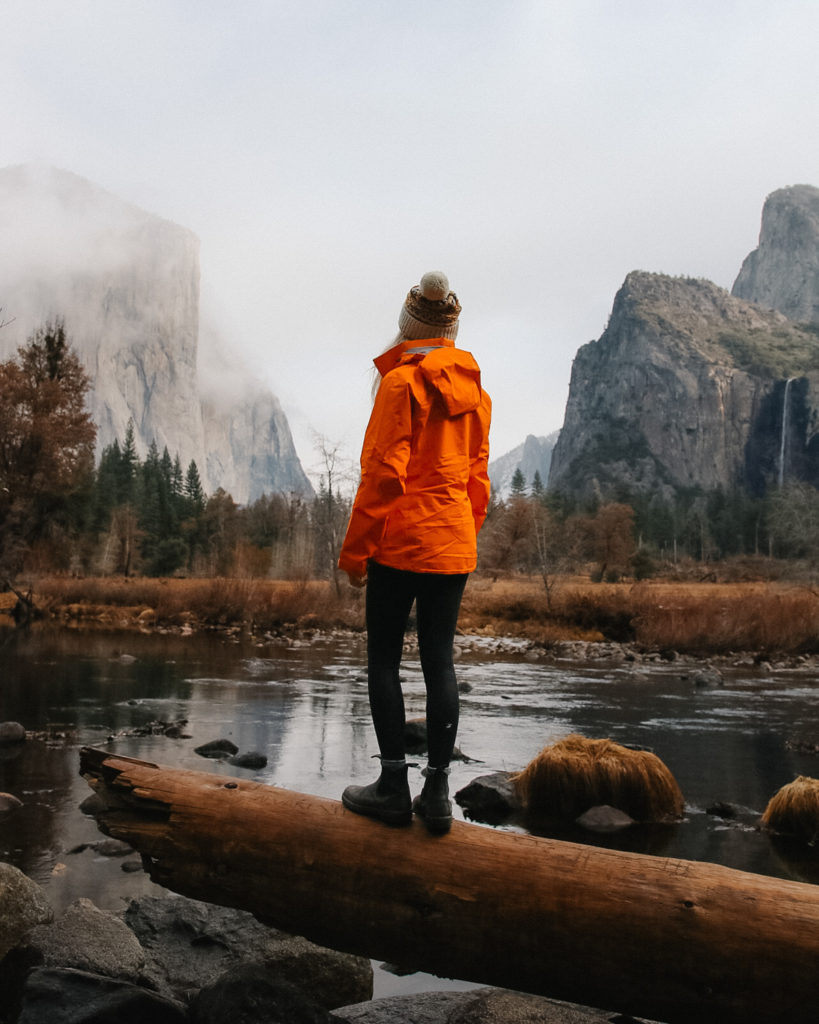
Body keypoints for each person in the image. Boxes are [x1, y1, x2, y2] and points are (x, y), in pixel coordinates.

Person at [338, 271, 491, 834]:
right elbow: (479, 480)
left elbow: (381, 476)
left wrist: (356, 554)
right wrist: (460, 534)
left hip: (400, 542)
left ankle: (393, 787)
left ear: (408, 328)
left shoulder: (400, 384)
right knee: (439, 661)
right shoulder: (477, 393)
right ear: (452, 331)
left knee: (383, 659)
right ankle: (437, 795)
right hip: (452, 543)